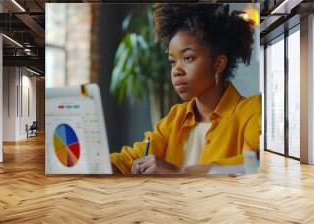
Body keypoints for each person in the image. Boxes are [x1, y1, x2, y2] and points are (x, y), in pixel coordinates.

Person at [110, 3, 261, 175]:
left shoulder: (252, 110)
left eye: (188, 58)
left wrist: (180, 172)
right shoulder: (176, 118)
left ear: (218, 64)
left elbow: (254, 163)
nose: (176, 70)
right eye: (173, 61)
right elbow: (130, 158)